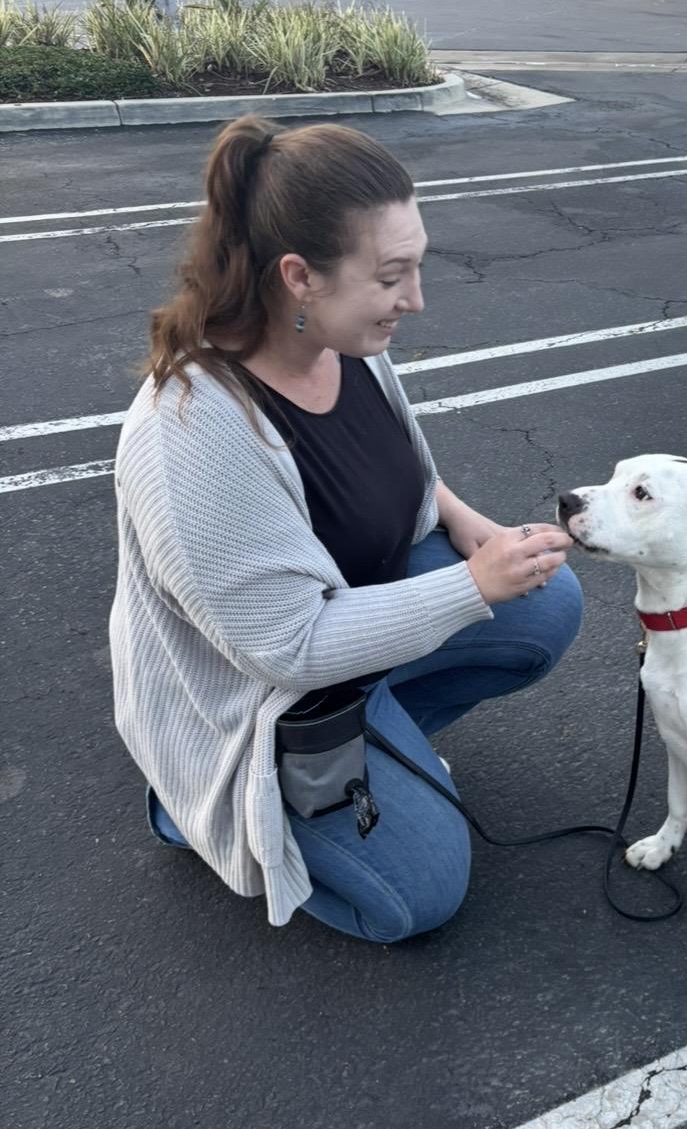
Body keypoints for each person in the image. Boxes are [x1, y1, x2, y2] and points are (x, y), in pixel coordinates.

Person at [109, 114, 581, 943]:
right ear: (300, 276)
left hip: (348, 636)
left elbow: (411, 479)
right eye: (392, 275)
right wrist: (472, 586)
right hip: (258, 700)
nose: (416, 298)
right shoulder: (192, 430)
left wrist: (471, 529)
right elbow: (285, 648)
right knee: (423, 893)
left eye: (417, 266)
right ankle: (192, 807)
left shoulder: (348, 344)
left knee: (545, 601)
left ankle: (379, 741)